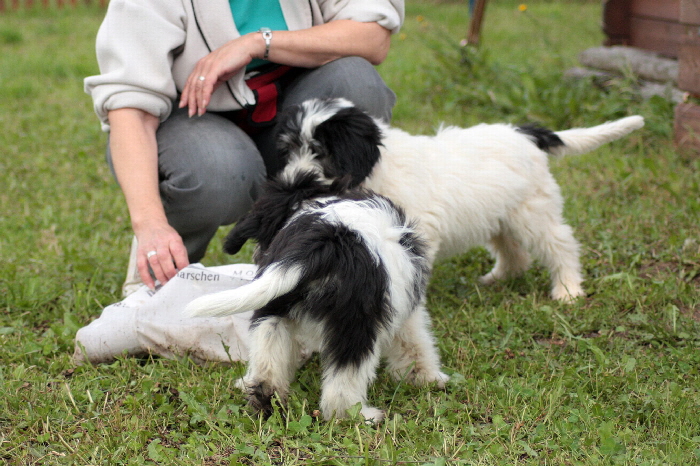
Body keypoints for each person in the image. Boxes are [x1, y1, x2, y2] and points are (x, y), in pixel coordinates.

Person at [85, 0, 404, 296]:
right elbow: (131, 111)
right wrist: (149, 223)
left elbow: (371, 36)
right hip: (192, 124)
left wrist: (256, 43)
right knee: (219, 169)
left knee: (355, 83)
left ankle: (315, 258)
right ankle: (159, 275)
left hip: (290, 114)